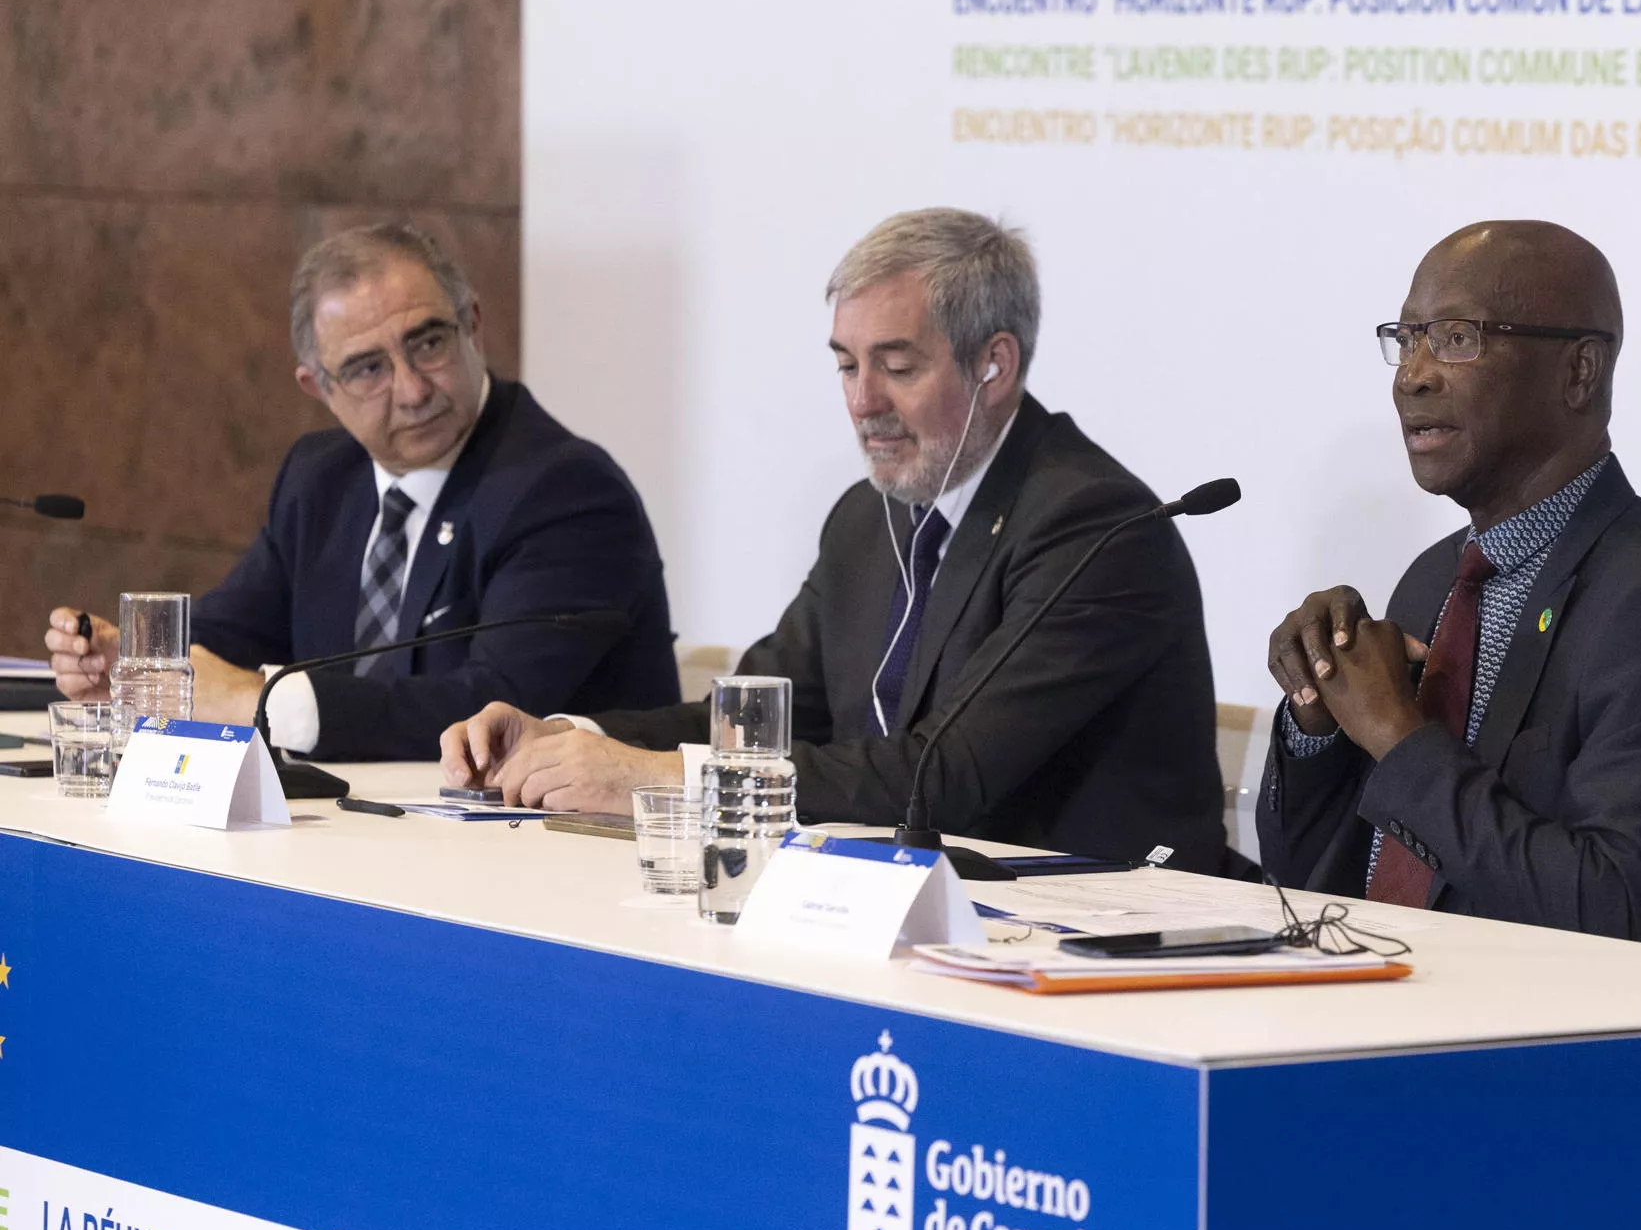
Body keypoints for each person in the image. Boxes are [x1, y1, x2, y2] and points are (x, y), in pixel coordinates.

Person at [442, 208, 1227, 871]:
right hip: (909, 906)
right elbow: (756, 720)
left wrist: (650, 776)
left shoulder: (1093, 526)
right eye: (847, 366)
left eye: (897, 367)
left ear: (995, 364)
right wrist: (573, 737)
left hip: (1107, 929)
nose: (862, 403)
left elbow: (943, 775)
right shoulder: (867, 516)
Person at [1258, 220, 1641, 955]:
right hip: (1392, 1008)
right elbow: (1311, 877)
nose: (1412, 374)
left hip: (1580, 1048)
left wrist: (1398, 736)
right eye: (1406, 338)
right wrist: (1320, 718)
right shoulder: (1435, 579)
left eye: (1458, 338)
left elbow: (1610, 910)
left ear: (1579, 372)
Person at [45, 222, 679, 762]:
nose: (411, 389)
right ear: (318, 387)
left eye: (428, 343)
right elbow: (229, 635)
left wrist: (259, 702)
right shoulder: (321, 477)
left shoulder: (565, 491)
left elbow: (492, 704)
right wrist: (129, 662)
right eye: (368, 368)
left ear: (473, 326)